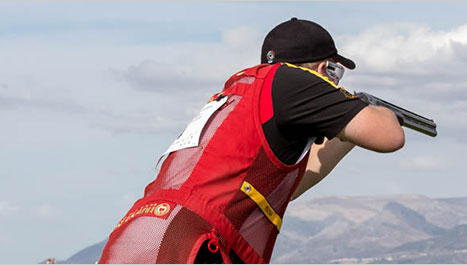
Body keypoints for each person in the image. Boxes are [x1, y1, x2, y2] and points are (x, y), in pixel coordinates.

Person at [98, 17, 405, 264]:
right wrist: (370, 110)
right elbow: (390, 136)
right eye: (335, 72)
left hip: (140, 236)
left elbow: (284, 188)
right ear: (323, 69)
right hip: (195, 243)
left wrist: (345, 134)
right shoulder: (292, 81)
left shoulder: (244, 95)